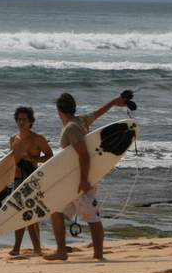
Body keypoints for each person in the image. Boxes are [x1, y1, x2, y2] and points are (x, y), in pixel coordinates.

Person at [44, 92, 129, 262]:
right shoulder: (81, 120)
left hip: (81, 180)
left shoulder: (71, 127)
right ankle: (61, 251)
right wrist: (113, 101)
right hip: (72, 180)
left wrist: (84, 181)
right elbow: (97, 112)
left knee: (92, 217)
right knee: (56, 212)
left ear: (58, 109)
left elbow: (83, 154)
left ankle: (98, 255)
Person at [2, 106, 53, 256]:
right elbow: (10, 160)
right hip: (17, 180)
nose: (22, 121)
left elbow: (50, 156)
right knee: (18, 213)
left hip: (32, 180)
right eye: (19, 119)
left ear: (31, 121)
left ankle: (37, 249)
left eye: (25, 119)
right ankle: (16, 248)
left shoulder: (37, 139)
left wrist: (33, 159)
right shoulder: (13, 139)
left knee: (30, 214)